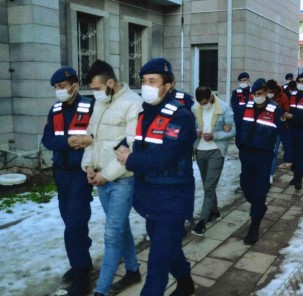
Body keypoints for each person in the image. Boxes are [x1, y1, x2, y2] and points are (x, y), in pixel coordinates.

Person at [116, 58, 196, 296]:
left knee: (157, 260)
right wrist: (120, 148)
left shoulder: (179, 116)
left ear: (168, 85)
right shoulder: (143, 113)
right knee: (168, 248)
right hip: (149, 196)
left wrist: (130, 160)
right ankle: (186, 281)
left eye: (153, 81)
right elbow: (130, 140)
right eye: (143, 81)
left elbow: (165, 156)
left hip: (173, 197)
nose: (146, 86)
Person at [81, 60, 143, 296]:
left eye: (97, 88)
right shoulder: (101, 103)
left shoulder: (133, 103)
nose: (94, 93)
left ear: (110, 82)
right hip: (101, 179)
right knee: (121, 226)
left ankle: (101, 290)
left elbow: (131, 148)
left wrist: (106, 175)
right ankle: (133, 270)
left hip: (121, 179)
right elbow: (92, 138)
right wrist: (88, 166)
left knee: (112, 233)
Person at [41, 67, 95, 296]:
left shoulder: (89, 107)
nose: (59, 91)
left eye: (62, 87)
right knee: (71, 222)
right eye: (56, 88)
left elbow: (97, 137)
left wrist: (84, 141)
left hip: (81, 174)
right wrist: (69, 141)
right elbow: (47, 139)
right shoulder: (54, 110)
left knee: (75, 222)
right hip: (61, 173)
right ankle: (81, 261)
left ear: (74, 85)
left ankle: (82, 273)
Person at [234, 78, 291, 245]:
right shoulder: (247, 107)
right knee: (245, 186)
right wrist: (240, 145)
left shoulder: (276, 110)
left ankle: (254, 226)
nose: (256, 97)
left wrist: (288, 157)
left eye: (259, 94)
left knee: (259, 192)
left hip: (264, 156)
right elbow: (239, 127)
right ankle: (259, 206)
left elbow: (286, 134)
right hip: (246, 155)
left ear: (266, 93)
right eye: (254, 94)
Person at [191, 86, 236, 236]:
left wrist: (215, 135)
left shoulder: (224, 109)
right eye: (200, 102)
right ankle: (215, 212)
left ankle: (202, 223)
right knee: (207, 185)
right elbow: (192, 126)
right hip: (200, 150)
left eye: (205, 101)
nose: (203, 105)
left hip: (216, 150)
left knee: (209, 187)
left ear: (211, 96)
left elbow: (232, 131)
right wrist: (195, 132)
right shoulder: (195, 108)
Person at [283, 73, 303, 190]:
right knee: (292, 154)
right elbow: (287, 108)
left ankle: (299, 179)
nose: (301, 84)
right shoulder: (292, 94)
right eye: (299, 81)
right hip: (291, 129)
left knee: (301, 155)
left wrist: (293, 116)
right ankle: (295, 176)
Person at [266, 79, 290, 184]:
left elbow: (287, 109)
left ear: (275, 90)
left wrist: (283, 115)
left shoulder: (283, 97)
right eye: (268, 91)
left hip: (277, 129)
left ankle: (270, 174)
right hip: (265, 129)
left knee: (273, 152)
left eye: (272, 91)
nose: (270, 93)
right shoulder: (263, 97)